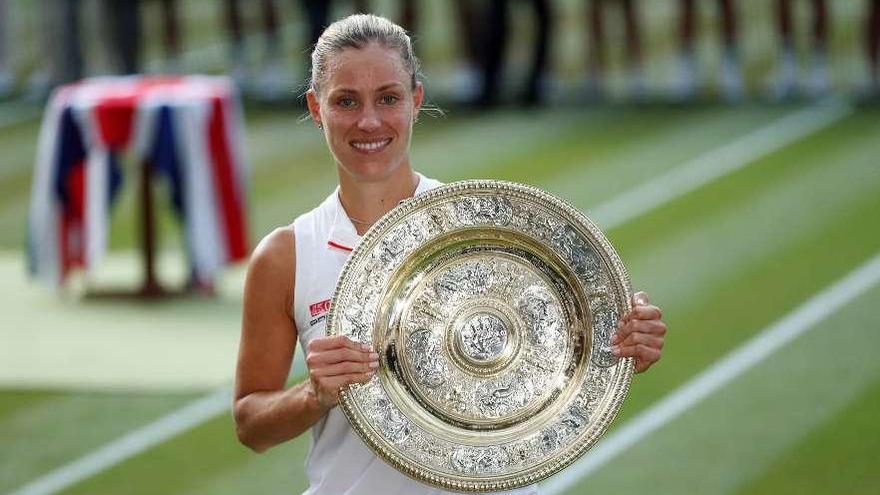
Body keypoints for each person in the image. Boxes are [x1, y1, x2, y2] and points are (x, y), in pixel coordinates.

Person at [233, 14, 667, 495]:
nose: (369, 121)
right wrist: (312, 396)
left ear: (416, 100)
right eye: (346, 101)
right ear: (317, 108)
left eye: (388, 98)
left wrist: (623, 341)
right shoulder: (287, 254)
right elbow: (251, 423)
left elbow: (557, 351)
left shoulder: (486, 227)